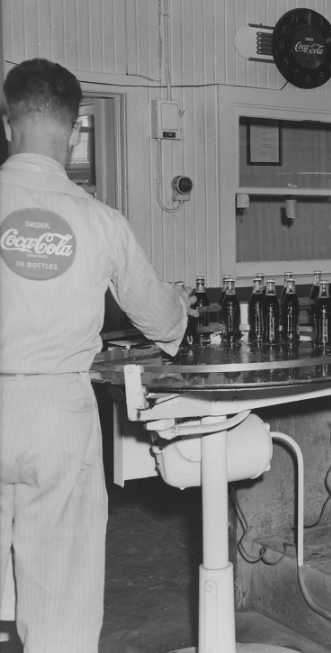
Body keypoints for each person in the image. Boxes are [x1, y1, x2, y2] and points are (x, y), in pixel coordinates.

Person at [0, 59, 191, 652]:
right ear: (76, 129)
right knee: (60, 589)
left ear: (7, 123)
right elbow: (161, 321)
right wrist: (179, 309)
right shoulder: (99, 220)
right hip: (58, 412)